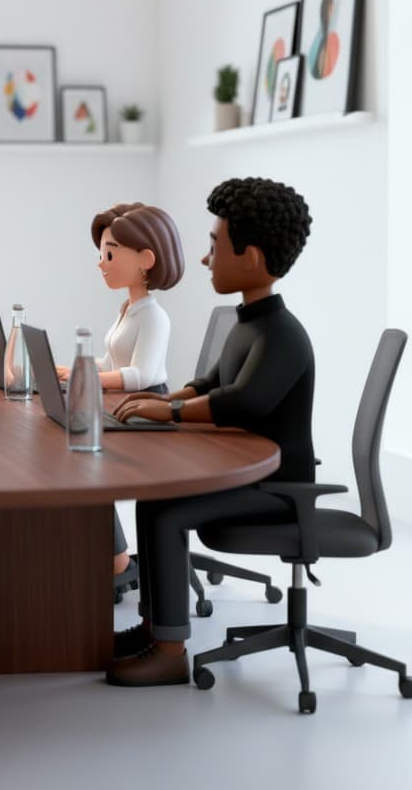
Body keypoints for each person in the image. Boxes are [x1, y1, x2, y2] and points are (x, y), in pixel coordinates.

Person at [107, 177, 314, 687]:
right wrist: (165, 398)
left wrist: (169, 416)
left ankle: (171, 652)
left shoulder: (283, 335)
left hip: (277, 487)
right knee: (154, 503)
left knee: (168, 510)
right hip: (248, 474)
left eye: (215, 246)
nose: (205, 259)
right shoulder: (248, 323)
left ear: (253, 257)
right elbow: (210, 382)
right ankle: (154, 629)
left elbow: (243, 400)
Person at [56, 202, 184, 577]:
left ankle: (115, 560)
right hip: (127, 403)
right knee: (72, 451)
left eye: (109, 254)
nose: (101, 263)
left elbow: (140, 375)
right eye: (101, 254)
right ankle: (105, 552)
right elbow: (115, 364)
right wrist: (79, 369)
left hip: (148, 407)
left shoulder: (155, 317)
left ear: (146, 259)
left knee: (84, 461)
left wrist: (89, 379)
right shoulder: (127, 309)